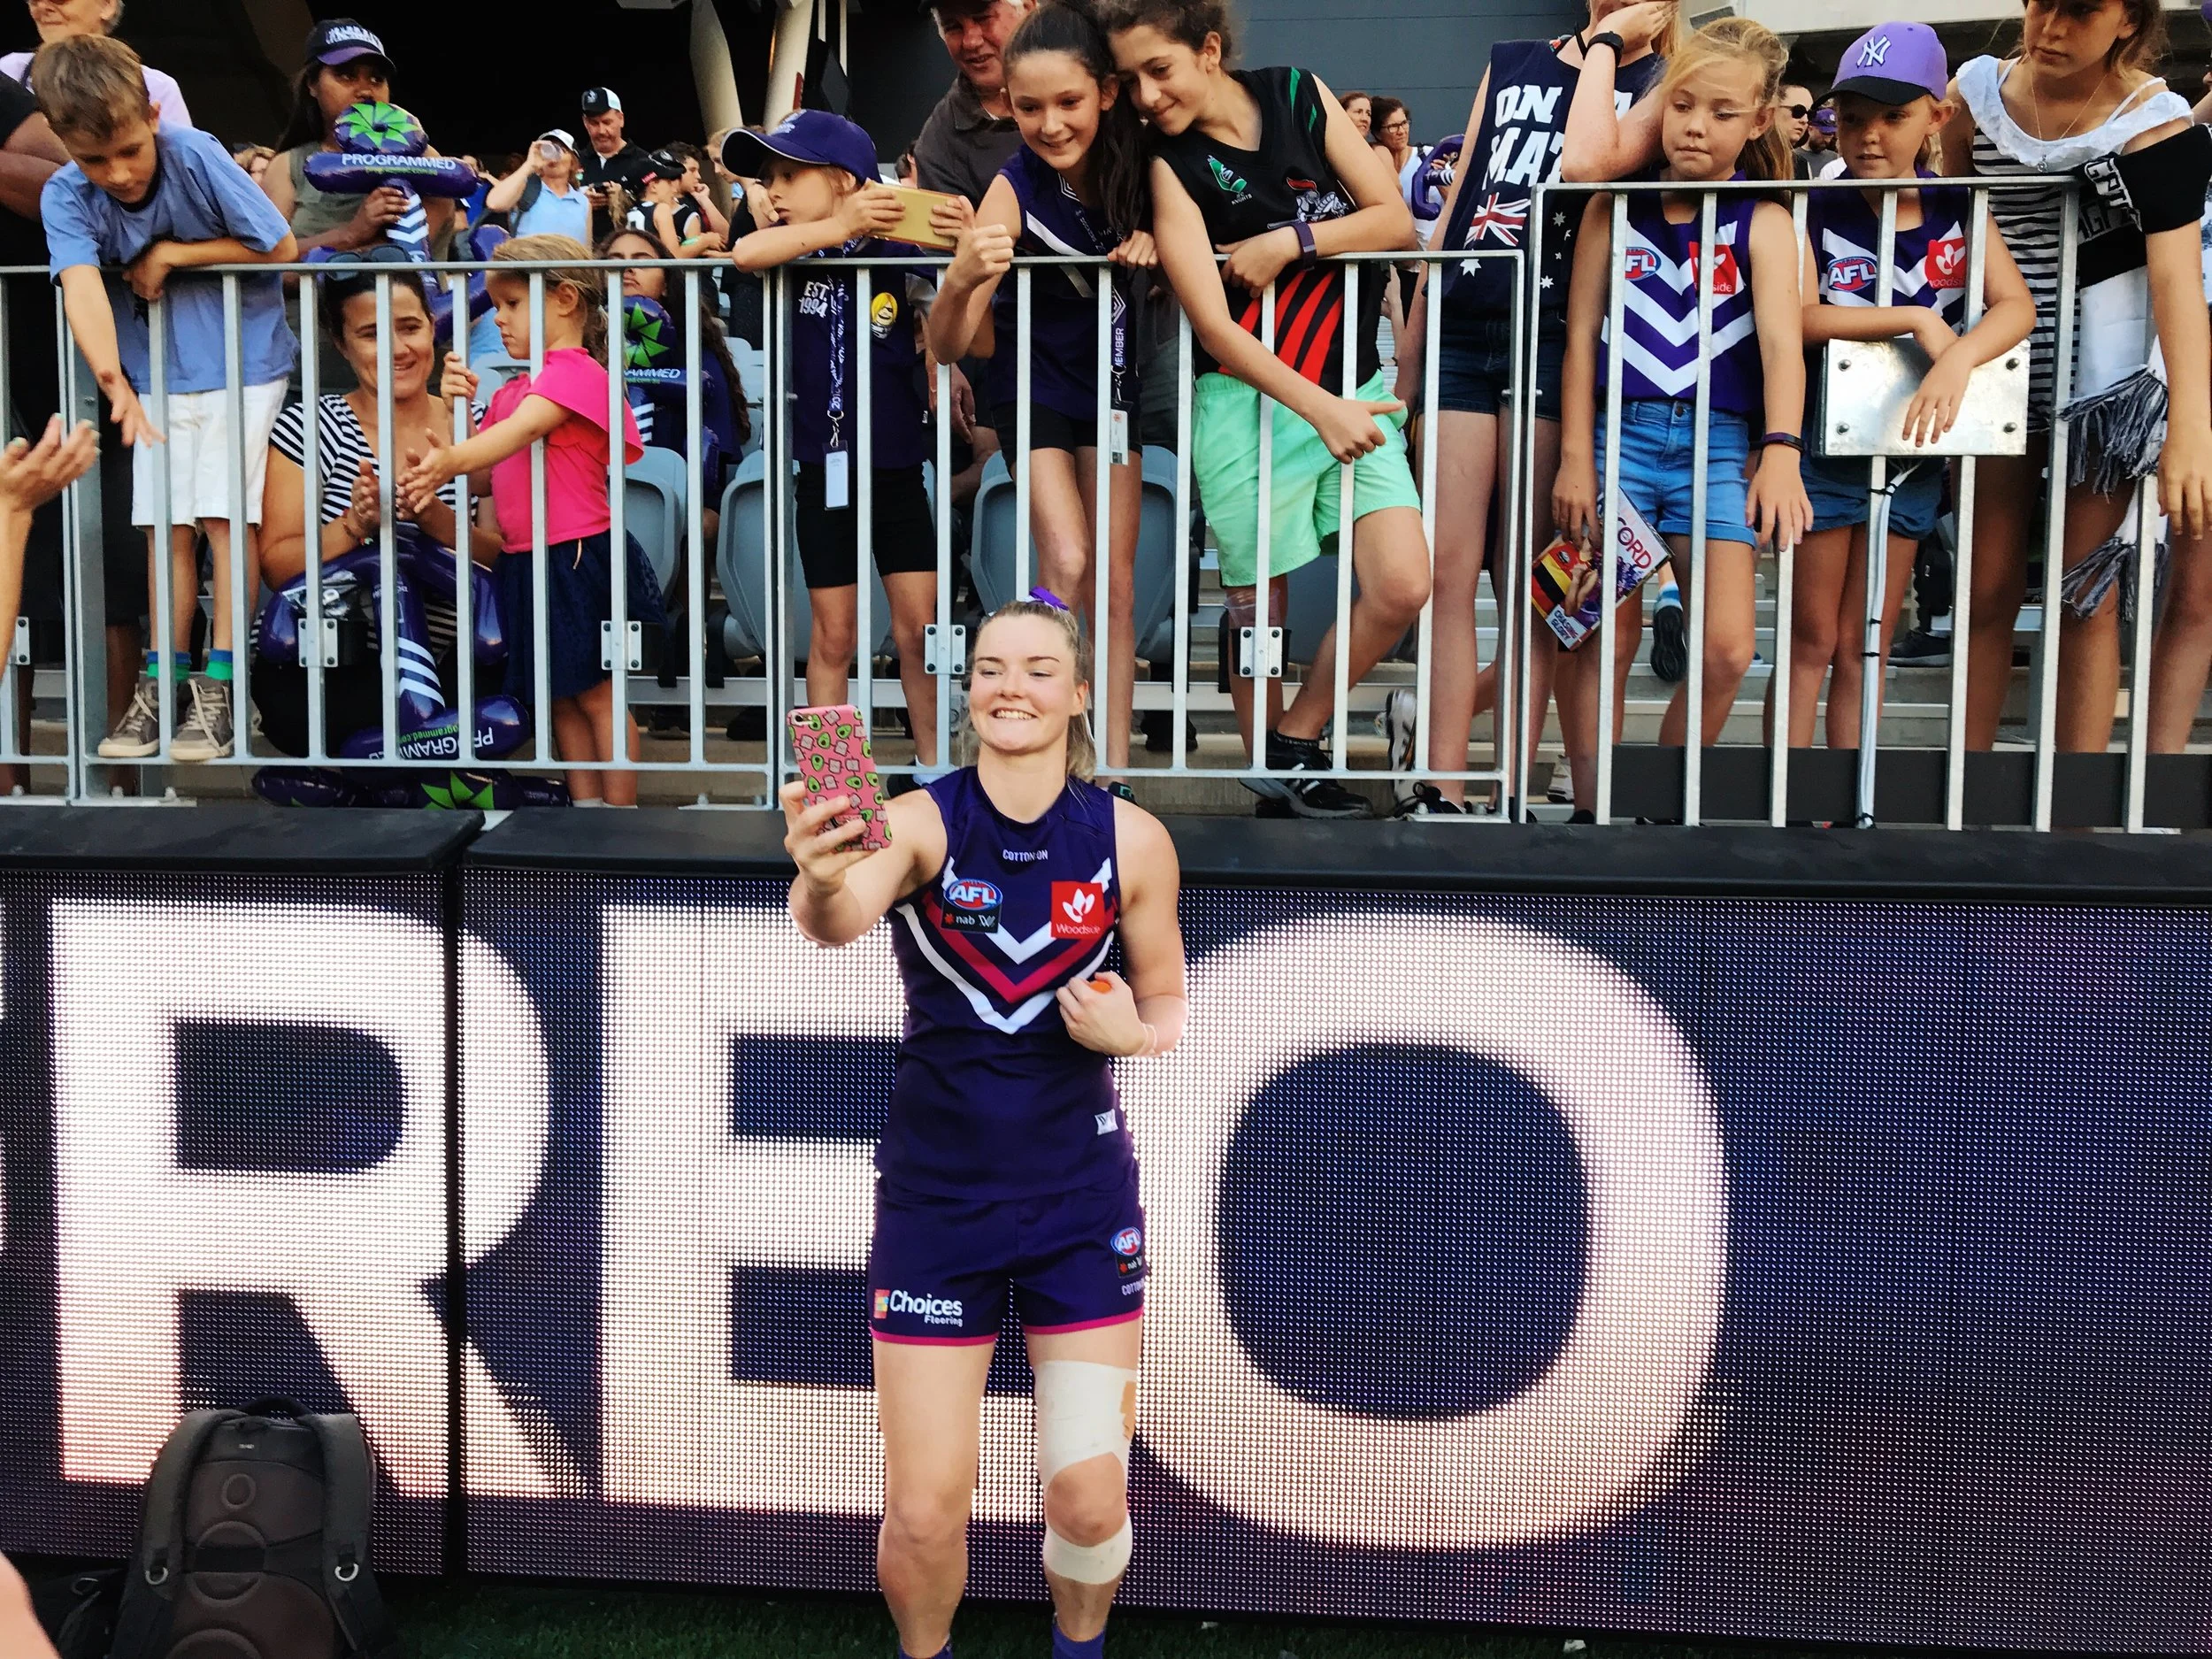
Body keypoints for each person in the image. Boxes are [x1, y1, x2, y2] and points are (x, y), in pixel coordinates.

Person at [778, 591, 1187, 1659]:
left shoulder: (1131, 841)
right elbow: (836, 920)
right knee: (922, 1512)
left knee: (1091, 1501)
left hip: (1079, 1210)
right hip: (937, 1209)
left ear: (1080, 693)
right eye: (993, 667)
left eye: (1039, 668)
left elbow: (1170, 1001)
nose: (1013, 686)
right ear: (969, 690)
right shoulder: (915, 819)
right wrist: (816, 879)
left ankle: (1078, 1648)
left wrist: (1128, 1035)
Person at [1107, 0, 1431, 819]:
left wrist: (1293, 241)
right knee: (845, 641)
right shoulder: (1163, 164)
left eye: (1159, 70)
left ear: (1209, 50)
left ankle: (1293, 740)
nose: (1144, 96)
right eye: (1129, 79)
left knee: (1402, 582)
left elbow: (1392, 216)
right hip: (1242, 404)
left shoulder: (1295, 93)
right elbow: (1212, 325)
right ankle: (845, 794)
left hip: (1348, 386)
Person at [1391, 0, 1677, 816]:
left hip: (1559, 334)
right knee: (1446, 573)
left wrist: (1612, 44)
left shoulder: (1663, 79)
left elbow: (1591, 164)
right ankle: (1440, 786)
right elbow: (1459, 200)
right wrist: (1411, 344)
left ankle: (1511, 783)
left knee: (1532, 582)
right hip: (1464, 322)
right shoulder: (1512, 58)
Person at [1552, 18, 1811, 802]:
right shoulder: (1612, 208)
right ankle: (1595, 805)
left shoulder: (1766, 220)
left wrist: (1783, 449)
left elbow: (1781, 349)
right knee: (1587, 627)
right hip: (1612, 440)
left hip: (1720, 447)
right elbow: (1579, 340)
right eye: (1684, 104)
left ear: (1759, 120)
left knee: (1728, 649)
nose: (1697, 126)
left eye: (1723, 113)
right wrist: (1572, 455)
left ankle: (1663, 800)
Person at [1944, 0, 2212, 754]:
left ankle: (2076, 828)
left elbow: (2176, 283)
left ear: (2127, 20)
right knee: (1985, 588)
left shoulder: (2154, 119)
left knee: (2083, 596)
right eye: (2040, 4)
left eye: (2081, 10)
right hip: (1995, 366)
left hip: (2105, 385)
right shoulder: (1974, 94)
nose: (2051, 27)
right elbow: (1951, 222)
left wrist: (2190, 426)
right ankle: (1963, 811)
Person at [35, 33, 298, 764]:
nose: (116, 174)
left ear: (152, 115)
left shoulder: (196, 151)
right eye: (94, 159)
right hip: (153, 374)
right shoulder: (65, 193)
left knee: (221, 518)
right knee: (163, 530)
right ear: (63, 142)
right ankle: (162, 678)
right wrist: (112, 381)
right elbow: (81, 285)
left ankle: (220, 686)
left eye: (127, 149)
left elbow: (278, 245)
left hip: (242, 361)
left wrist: (173, 253)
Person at [1783, 23, 2035, 753]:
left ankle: (1843, 814)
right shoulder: (1815, 204)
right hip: (1824, 450)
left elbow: (2016, 305)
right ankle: (1787, 809)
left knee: (1869, 641)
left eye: (1894, 117)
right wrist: (1919, 320)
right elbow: (1798, 316)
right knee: (1810, 640)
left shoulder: (1962, 203)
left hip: (1916, 457)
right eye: (1854, 118)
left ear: (1938, 116)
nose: (1870, 137)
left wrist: (1958, 357)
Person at [927, 0, 1156, 778]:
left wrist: (1159, 236)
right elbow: (951, 341)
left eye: (1068, 103)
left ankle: (1112, 771)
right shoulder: (1012, 183)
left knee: (1117, 583)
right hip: (1032, 381)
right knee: (1065, 558)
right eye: (1029, 108)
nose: (1050, 123)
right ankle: (1043, 759)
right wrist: (960, 278)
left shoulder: (1145, 167)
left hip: (1116, 380)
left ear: (1106, 94)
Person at [400, 234, 664, 806]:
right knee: (561, 696)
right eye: (495, 307)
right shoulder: (516, 389)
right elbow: (480, 472)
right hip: (527, 560)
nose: (500, 320)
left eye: (513, 304)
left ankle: (621, 820)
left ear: (565, 299)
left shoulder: (575, 373)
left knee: (597, 694)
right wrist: (452, 409)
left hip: (573, 557)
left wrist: (448, 456)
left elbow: (511, 437)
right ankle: (586, 810)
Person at [727, 111, 946, 774]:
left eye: (789, 174)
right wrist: (839, 226)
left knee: (920, 632)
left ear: (846, 178)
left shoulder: (897, 245)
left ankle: (936, 770)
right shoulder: (792, 244)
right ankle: (835, 784)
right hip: (823, 469)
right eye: (768, 178)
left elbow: (951, 277)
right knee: (834, 634)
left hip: (899, 464)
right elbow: (743, 254)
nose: (774, 191)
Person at [257, 247, 501, 757]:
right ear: (341, 345)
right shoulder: (309, 426)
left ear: (433, 327)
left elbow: (503, 559)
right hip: (335, 662)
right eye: (370, 334)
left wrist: (431, 516)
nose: (396, 348)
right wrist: (355, 523)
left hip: (460, 666)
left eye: (409, 327)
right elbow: (278, 565)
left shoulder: (477, 421)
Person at [262, 21, 449, 259]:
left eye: (376, 79)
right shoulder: (287, 165)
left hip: (399, 296)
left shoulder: (424, 160)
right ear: (312, 85)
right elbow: (269, 265)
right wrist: (351, 234)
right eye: (347, 75)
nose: (365, 91)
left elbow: (410, 258)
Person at [601, 225, 749, 488]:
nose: (627, 270)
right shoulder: (582, 349)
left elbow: (717, 455)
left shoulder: (697, 353)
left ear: (667, 284)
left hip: (678, 502)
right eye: (615, 263)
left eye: (642, 262)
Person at [913, 0, 1035, 206]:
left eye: (983, 18)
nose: (971, 41)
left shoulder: (1092, 65)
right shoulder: (940, 146)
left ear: (1027, 7)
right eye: (953, 27)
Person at [1, 0, 189, 129]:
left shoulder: (156, 88)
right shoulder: (7, 72)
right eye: (33, 0)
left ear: (107, 5)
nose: (41, 7)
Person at [483, 129, 590, 242]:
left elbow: (586, 251)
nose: (553, 155)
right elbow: (494, 203)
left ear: (573, 163)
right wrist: (530, 164)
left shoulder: (582, 202)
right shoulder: (526, 188)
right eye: (547, 149)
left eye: (561, 150)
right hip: (529, 258)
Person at [577, 85, 649, 239]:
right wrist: (581, 200)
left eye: (607, 122)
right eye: (594, 123)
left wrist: (624, 198)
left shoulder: (644, 161)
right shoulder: (574, 161)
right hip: (585, 254)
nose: (602, 131)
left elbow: (659, 209)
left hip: (629, 252)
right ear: (585, 123)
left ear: (621, 119)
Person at [631, 147, 724, 257]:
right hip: (658, 272)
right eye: (670, 181)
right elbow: (674, 256)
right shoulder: (662, 209)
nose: (674, 188)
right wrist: (705, 240)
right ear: (654, 185)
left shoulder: (632, 209)